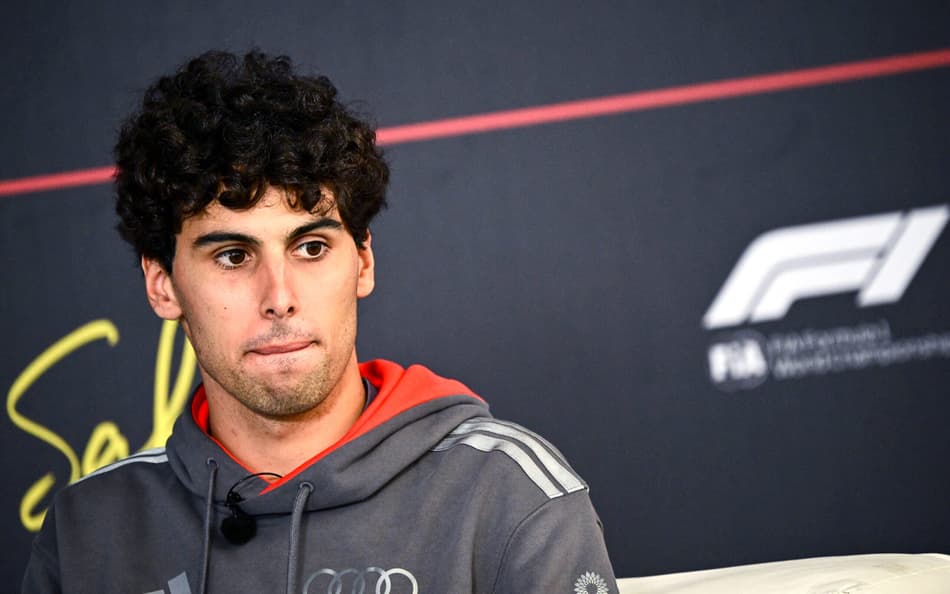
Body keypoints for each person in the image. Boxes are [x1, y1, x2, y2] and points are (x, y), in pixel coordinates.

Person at [21, 50, 617, 594]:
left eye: (310, 248)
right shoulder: (87, 530)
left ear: (362, 262)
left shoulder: (507, 496)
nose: (279, 297)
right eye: (233, 256)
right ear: (162, 284)